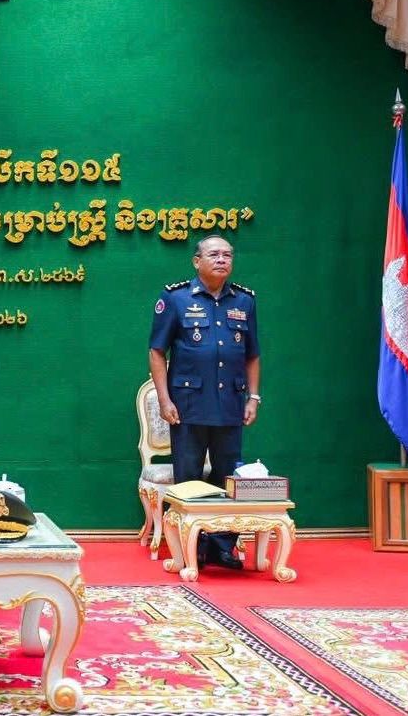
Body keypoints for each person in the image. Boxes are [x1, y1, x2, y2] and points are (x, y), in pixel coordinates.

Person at [148, 235, 260, 570]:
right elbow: (157, 351)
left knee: (228, 477)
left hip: (230, 404)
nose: (222, 260)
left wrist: (253, 397)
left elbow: (252, 354)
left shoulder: (245, 300)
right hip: (188, 405)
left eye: (227, 255)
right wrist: (164, 399)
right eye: (214, 254)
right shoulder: (176, 298)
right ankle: (192, 546)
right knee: (189, 478)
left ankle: (223, 547)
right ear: (197, 261)